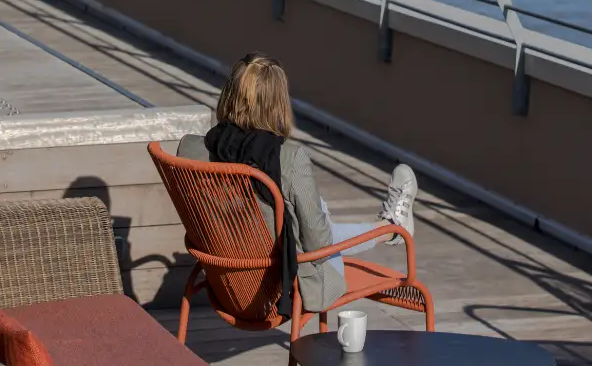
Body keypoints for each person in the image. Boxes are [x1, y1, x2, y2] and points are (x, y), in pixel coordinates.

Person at [177, 52, 417, 316]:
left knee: (299, 216)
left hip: (225, 286)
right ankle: (391, 229)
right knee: (315, 219)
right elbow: (319, 245)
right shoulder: (288, 159)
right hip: (284, 290)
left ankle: (390, 228)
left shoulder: (191, 149)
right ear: (278, 103)